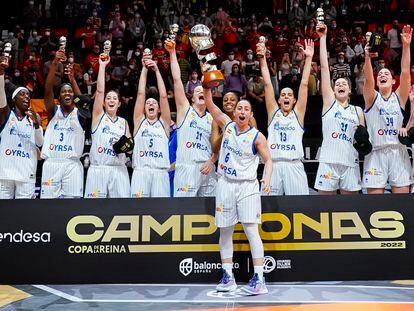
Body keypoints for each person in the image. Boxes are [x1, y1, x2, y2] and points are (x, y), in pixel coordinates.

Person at [203, 79, 272, 295]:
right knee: (225, 231)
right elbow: (211, 105)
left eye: (246, 109)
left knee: (252, 230)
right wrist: (207, 88)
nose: (242, 111)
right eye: (239, 108)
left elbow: (269, 160)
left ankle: (259, 278)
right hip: (225, 184)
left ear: (250, 115)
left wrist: (266, 179)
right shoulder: (227, 125)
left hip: (247, 187)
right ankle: (228, 276)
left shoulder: (257, 136)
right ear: (235, 113)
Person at [314, 23, 366, 195]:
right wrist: (323, 39)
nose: (341, 84)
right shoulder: (329, 103)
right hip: (329, 161)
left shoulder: (357, 111)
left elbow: (362, 139)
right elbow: (324, 68)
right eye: (337, 84)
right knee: (324, 208)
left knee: (350, 208)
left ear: (349, 90)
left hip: (350, 162)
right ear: (333, 89)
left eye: (344, 83)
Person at [258, 39, 314, 195]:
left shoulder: (298, 114)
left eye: (290, 95)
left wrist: (308, 58)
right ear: (279, 100)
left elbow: (303, 84)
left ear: (294, 100)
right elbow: (268, 84)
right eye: (283, 95)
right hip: (273, 165)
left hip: (294, 165)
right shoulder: (273, 113)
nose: (286, 97)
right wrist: (262, 58)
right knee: (267, 207)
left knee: (300, 207)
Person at [362, 24, 413, 194]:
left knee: (402, 205)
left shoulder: (399, 98)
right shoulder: (371, 97)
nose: (382, 75)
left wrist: (406, 46)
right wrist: (367, 57)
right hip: (376, 153)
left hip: (398, 152)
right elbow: (368, 78)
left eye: (387, 74)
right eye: (380, 75)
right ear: (378, 82)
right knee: (375, 207)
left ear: (393, 81)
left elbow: (405, 73)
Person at [165, 37, 218, 197]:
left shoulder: (213, 118)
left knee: (211, 213)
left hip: (207, 168)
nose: (201, 91)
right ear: (192, 97)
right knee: (184, 212)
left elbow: (218, 146)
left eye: (203, 90)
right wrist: (173, 53)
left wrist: (212, 161)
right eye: (197, 91)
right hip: (186, 167)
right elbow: (176, 80)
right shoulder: (184, 110)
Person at [84, 53, 132, 198]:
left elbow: (130, 146)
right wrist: (102, 66)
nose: (111, 100)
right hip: (99, 169)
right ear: (104, 103)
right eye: (108, 98)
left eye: (114, 98)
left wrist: (125, 146)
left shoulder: (124, 122)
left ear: (119, 104)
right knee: (94, 210)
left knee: (121, 211)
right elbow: (99, 91)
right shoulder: (99, 116)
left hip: (119, 170)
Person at [40, 49, 86, 198]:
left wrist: (72, 80)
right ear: (59, 97)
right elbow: (47, 90)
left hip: (72, 164)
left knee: (72, 205)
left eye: (70, 91)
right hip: (52, 163)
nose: (67, 93)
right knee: (48, 206)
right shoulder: (54, 111)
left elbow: (84, 103)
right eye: (64, 92)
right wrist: (55, 63)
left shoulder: (80, 114)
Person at [0, 59, 43, 199]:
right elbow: (1, 99)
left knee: (23, 215)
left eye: (28, 95)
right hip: (5, 173)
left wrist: (37, 126)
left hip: (26, 174)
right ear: (14, 99)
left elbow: (40, 143)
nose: (26, 97)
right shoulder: (7, 115)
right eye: (22, 94)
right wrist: (1, 74)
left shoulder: (33, 119)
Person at [130, 54, 171, 198]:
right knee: (137, 211)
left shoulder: (164, 123)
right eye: (148, 103)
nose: (151, 104)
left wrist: (157, 70)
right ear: (144, 108)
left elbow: (164, 96)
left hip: (160, 173)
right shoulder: (139, 121)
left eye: (154, 103)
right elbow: (141, 94)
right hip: (141, 172)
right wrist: (144, 69)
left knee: (161, 214)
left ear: (159, 109)